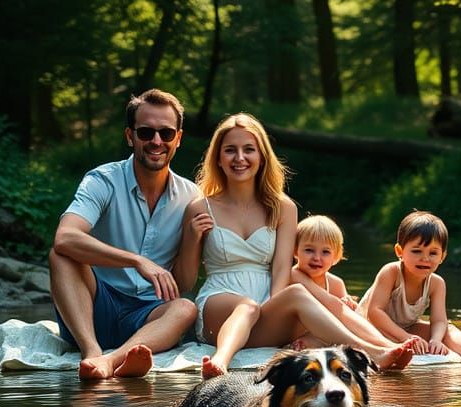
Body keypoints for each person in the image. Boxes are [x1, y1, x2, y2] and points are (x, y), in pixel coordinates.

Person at [173, 113, 414, 379]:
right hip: (218, 306)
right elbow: (184, 283)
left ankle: (374, 349)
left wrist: (277, 311)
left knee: (300, 294)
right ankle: (220, 361)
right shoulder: (200, 207)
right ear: (218, 158)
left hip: (265, 306)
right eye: (230, 150)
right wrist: (193, 237)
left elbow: (280, 270)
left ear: (262, 156)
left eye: (249, 150)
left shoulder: (283, 207)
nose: (239, 158)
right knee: (247, 307)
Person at [49, 89, 200, 379]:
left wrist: (192, 239)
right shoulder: (102, 181)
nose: (156, 141)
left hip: (147, 316)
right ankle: (92, 352)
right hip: (93, 307)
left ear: (178, 139)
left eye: (166, 133)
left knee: (185, 308)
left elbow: (180, 284)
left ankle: (115, 360)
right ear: (130, 136)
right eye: (146, 133)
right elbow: (65, 237)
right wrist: (135, 260)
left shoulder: (191, 196)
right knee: (60, 256)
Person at [358, 210, 461, 365]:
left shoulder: (436, 283)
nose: (425, 258)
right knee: (402, 333)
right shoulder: (391, 272)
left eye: (433, 253)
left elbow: (438, 320)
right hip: (373, 329)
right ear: (399, 251)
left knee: (446, 330)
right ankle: (398, 347)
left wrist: (435, 339)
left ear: (442, 256)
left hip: (406, 328)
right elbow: (375, 312)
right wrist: (405, 337)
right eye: (416, 251)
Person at [288, 215, 394, 350]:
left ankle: (382, 343)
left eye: (325, 252)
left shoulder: (336, 283)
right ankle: (382, 346)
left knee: (350, 319)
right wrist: (341, 306)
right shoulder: (293, 275)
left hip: (324, 333)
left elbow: (346, 318)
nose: (316, 257)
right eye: (309, 250)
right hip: (292, 332)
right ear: (295, 250)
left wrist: (349, 305)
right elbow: (333, 305)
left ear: (336, 256)